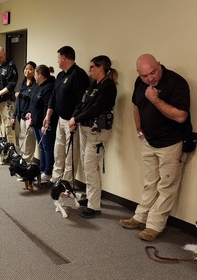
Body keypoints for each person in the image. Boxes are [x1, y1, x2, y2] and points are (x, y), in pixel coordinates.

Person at [119, 54, 192, 241]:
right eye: (145, 75)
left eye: (153, 72)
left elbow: (181, 116)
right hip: (149, 141)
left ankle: (154, 226)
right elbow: (135, 105)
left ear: (159, 65)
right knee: (149, 182)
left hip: (171, 143)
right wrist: (139, 129)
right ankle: (140, 217)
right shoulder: (139, 81)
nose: (150, 78)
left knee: (166, 186)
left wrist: (155, 99)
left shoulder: (176, 82)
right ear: (139, 74)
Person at [69, 55, 118, 218]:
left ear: (101, 68)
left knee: (90, 167)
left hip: (97, 132)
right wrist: (74, 117)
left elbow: (95, 108)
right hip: (85, 128)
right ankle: (92, 196)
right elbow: (82, 103)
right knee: (88, 165)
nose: (90, 70)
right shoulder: (92, 85)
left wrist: (77, 118)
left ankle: (94, 205)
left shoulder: (109, 87)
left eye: (92, 67)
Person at [43, 46, 89, 184]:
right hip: (60, 119)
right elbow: (54, 96)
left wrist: (75, 118)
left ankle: (67, 183)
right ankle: (56, 178)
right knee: (59, 150)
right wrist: (48, 115)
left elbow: (82, 100)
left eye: (58, 57)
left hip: (72, 121)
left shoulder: (79, 75)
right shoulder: (60, 75)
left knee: (71, 154)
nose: (57, 61)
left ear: (64, 58)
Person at [28, 65, 56, 183]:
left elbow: (47, 106)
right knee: (41, 147)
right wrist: (29, 113)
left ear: (40, 75)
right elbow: (33, 102)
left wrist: (45, 123)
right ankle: (42, 168)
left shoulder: (49, 87)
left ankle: (48, 171)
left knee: (47, 147)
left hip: (44, 123)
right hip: (35, 122)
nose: (34, 76)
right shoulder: (36, 86)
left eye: (35, 74)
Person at [11, 61, 37, 164]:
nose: (27, 71)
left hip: (29, 117)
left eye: (30, 69)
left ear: (35, 71)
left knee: (29, 141)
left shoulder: (35, 84)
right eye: (26, 69)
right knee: (21, 138)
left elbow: (33, 100)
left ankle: (27, 163)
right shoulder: (22, 84)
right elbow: (18, 100)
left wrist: (21, 96)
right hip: (21, 116)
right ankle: (22, 160)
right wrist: (14, 114)